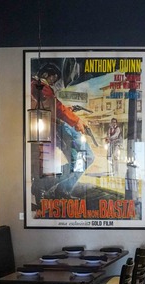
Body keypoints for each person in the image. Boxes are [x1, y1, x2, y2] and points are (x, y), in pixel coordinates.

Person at [30, 62, 89, 198]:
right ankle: (44, 189)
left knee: (44, 162)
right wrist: (76, 120)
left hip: (45, 130)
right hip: (46, 130)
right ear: (46, 75)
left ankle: (44, 190)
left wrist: (68, 111)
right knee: (45, 162)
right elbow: (55, 107)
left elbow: (52, 107)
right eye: (53, 78)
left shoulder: (35, 86)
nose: (54, 82)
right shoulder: (40, 86)